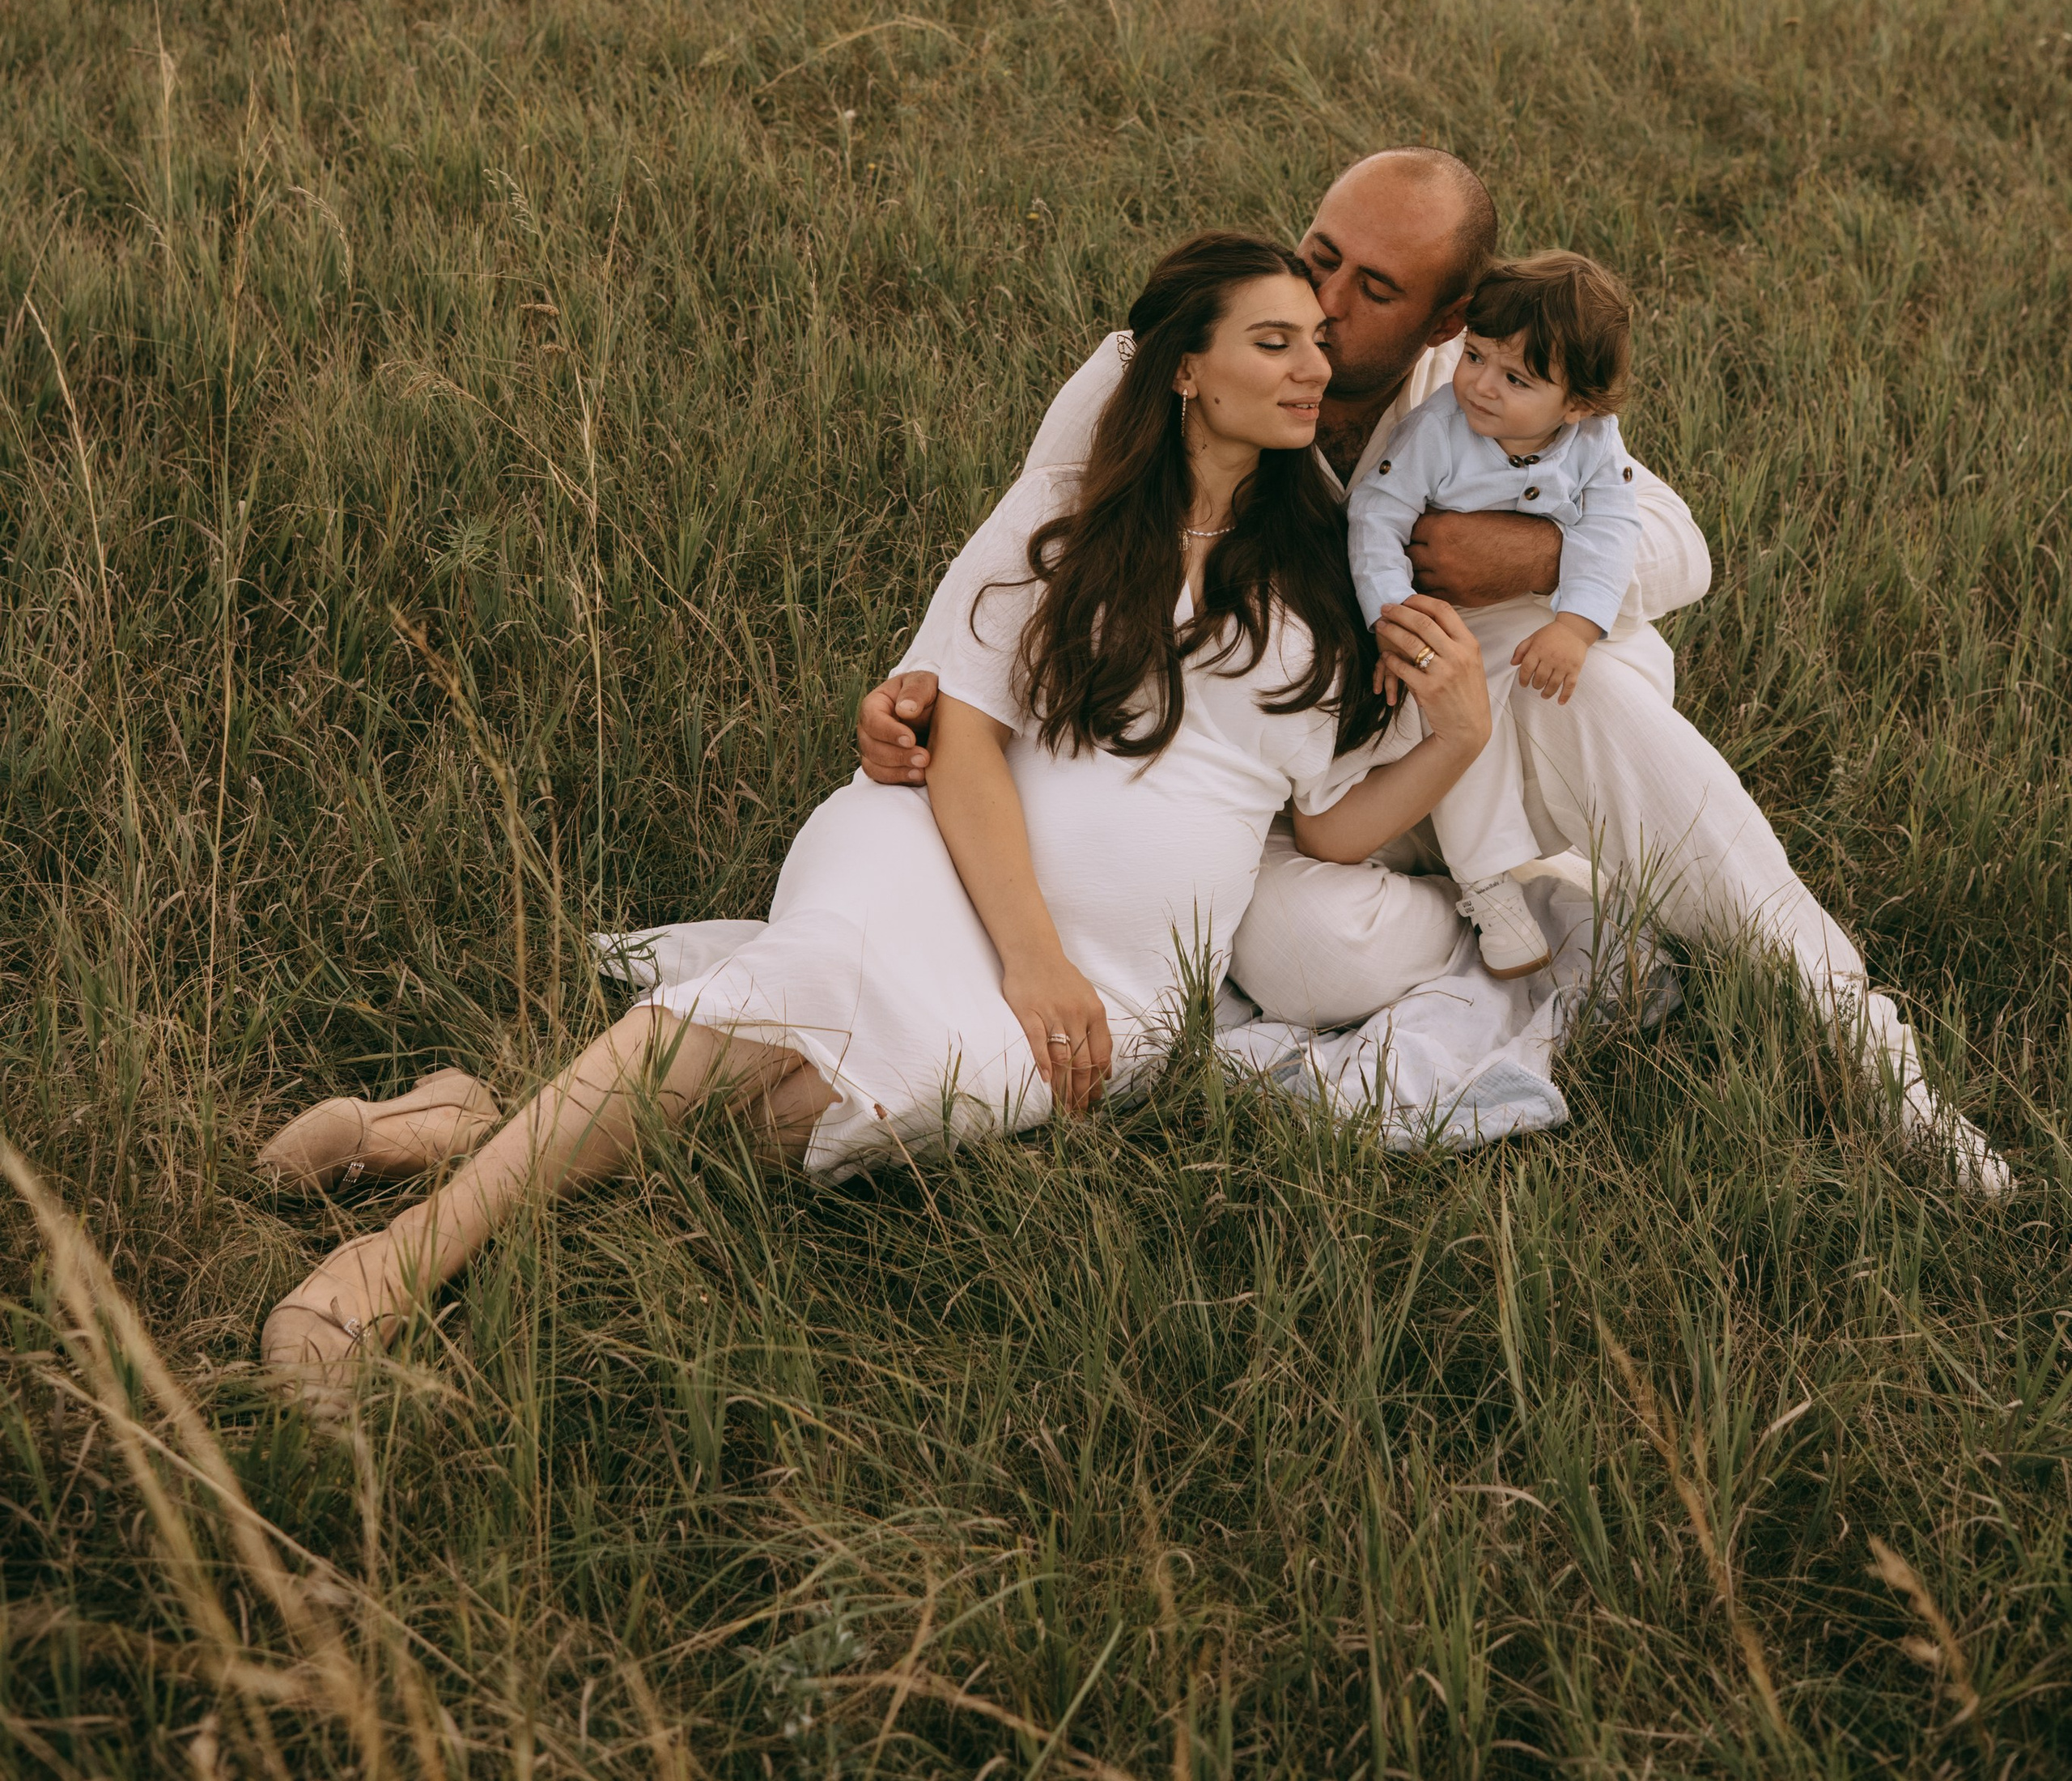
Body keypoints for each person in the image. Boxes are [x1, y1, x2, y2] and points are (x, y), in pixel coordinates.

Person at [259, 234, 1500, 1396]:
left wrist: (1459, 734)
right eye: (1275, 340)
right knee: (796, 990)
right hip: (940, 855)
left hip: (1123, 982)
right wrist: (1029, 956)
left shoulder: (1329, 569)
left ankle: (470, 1119)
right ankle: (398, 1261)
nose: (1313, 365)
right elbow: (959, 732)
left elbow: (1330, 832)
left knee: (806, 1114)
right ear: (1186, 369)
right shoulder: (1066, 511)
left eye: (1320, 345)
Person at [858, 149, 2012, 1194]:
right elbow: (1025, 542)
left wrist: (1536, 554)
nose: (1323, 306)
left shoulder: (1489, 392)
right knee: (1300, 960)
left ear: (1450, 320)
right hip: (1319, 782)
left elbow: (1679, 543)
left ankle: (1867, 1049)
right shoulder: (1180, 370)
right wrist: (917, 686)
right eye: (1321, 260)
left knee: (1599, 689)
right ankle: (1549, 917)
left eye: (1375, 292)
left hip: (1495, 719)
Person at [1339, 250, 1641, 983]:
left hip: (1541, 617)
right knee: (1468, 729)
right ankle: (1484, 881)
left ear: (1579, 405)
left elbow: (1610, 531)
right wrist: (1392, 616)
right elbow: (1377, 517)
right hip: (1446, 617)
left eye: (1516, 379)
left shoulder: (1595, 442)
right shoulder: (1438, 431)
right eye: (1473, 356)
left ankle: (1608, 848)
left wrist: (1576, 625)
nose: (1479, 384)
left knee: (1621, 690)